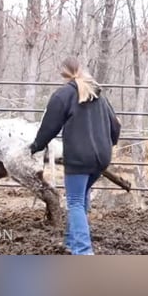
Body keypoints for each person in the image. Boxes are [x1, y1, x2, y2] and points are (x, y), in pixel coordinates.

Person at [30, 57, 121, 255]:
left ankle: (83, 250)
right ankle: (71, 242)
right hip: (101, 159)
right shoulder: (99, 94)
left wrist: (35, 146)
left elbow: (49, 127)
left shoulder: (63, 95)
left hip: (80, 158)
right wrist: (109, 143)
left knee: (75, 201)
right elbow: (116, 125)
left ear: (62, 73)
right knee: (81, 196)